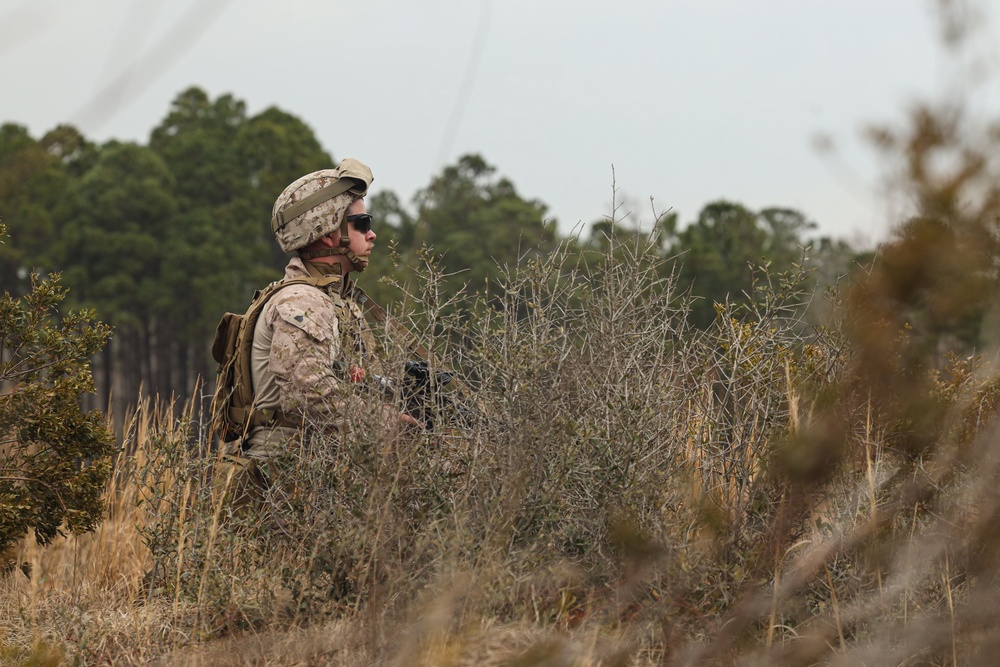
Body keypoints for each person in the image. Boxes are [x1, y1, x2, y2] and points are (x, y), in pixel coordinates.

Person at [241, 158, 418, 471]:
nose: (372, 234)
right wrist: (387, 421)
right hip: (282, 482)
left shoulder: (338, 302)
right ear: (327, 233)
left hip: (317, 473)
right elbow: (304, 393)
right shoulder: (302, 301)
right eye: (362, 224)